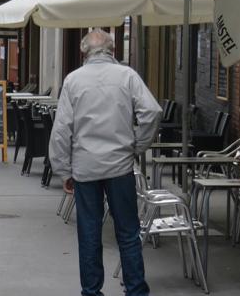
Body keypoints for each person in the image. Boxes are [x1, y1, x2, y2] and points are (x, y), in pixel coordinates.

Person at [49, 29, 162, 296]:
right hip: (119, 165)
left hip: (85, 167)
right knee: (128, 231)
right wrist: (137, 143)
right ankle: (135, 289)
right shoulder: (127, 76)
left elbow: (62, 128)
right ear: (113, 50)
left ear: (83, 52)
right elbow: (152, 111)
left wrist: (63, 169)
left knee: (89, 233)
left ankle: (91, 291)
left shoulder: (73, 80)